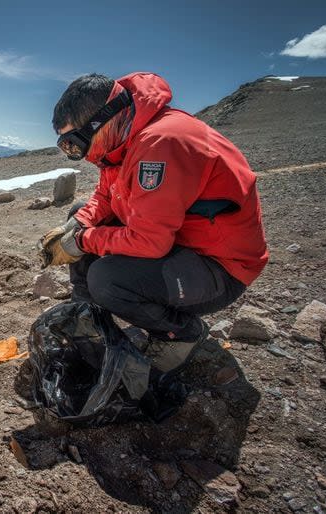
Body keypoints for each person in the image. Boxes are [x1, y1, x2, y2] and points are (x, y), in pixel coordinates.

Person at [41, 72, 268, 377]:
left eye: (76, 143)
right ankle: (88, 314)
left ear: (101, 122)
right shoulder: (120, 139)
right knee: (79, 213)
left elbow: (149, 242)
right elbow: (105, 197)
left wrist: (82, 242)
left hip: (220, 268)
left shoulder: (160, 144)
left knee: (106, 278)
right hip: (180, 242)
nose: (79, 156)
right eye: (68, 146)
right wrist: (77, 225)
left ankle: (180, 333)